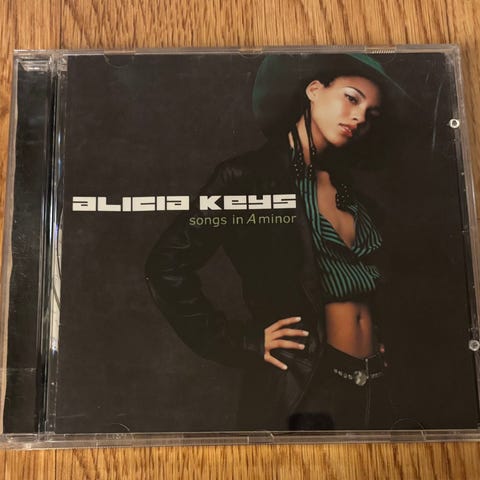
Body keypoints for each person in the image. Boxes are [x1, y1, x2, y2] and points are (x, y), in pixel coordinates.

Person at [145, 53, 409, 430]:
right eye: (352, 98)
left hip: (376, 385)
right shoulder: (247, 178)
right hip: (305, 386)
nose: (359, 117)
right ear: (314, 90)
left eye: (371, 114)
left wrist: (378, 333)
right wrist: (243, 342)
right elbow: (166, 265)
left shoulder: (354, 194)